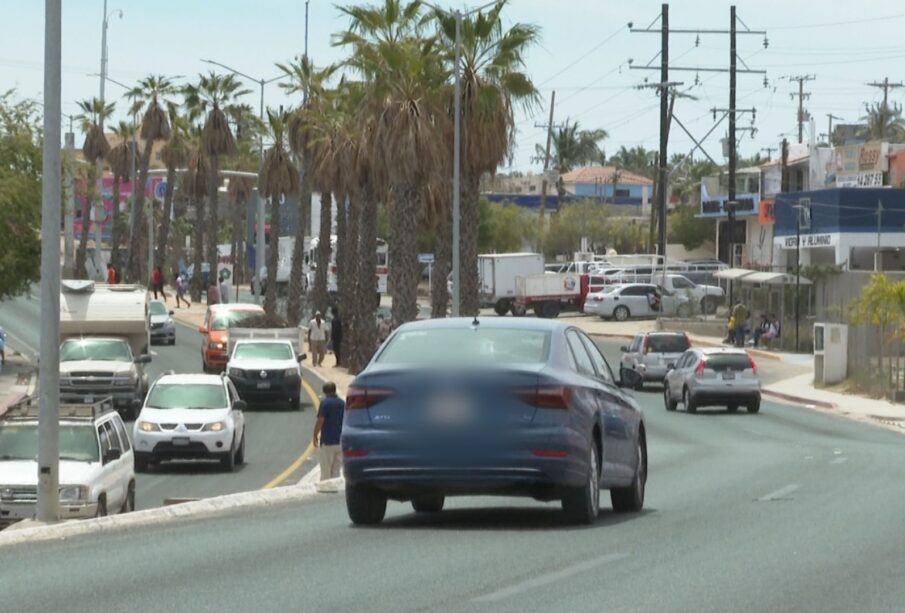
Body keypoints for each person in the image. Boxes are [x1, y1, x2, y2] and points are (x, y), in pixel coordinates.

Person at [312, 382, 345, 481]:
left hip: (328, 440)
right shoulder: (342, 403)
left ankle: (325, 491)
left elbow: (320, 420)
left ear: (324, 391)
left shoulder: (325, 403)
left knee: (326, 470)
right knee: (336, 470)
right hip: (340, 440)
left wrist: (315, 435)